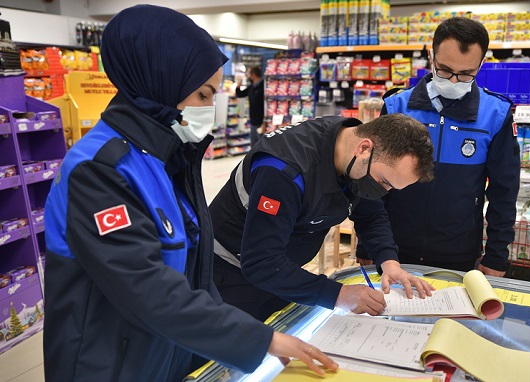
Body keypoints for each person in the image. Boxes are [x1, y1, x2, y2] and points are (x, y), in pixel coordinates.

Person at [42, 5, 337, 381]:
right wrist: (259, 340)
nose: (209, 109)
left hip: (162, 358)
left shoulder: (166, 159)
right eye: (202, 94)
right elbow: (146, 289)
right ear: (160, 82)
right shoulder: (99, 171)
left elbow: (196, 276)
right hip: (108, 366)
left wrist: (223, 351)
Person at [210, 113, 436, 322]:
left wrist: (389, 263)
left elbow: (371, 214)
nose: (384, 191)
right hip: (229, 274)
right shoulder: (283, 171)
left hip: (283, 270)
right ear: (364, 148)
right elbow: (261, 262)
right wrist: (339, 294)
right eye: (384, 182)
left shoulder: (354, 153)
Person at [357, 17, 520, 277]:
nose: (454, 81)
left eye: (466, 73)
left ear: (481, 64)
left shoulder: (496, 115)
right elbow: (374, 184)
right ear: (431, 56)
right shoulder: (397, 106)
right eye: (445, 70)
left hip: (459, 254)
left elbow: (505, 191)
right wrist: (368, 246)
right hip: (393, 252)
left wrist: (497, 256)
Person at [236, 66, 265, 146]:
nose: (248, 76)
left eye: (249, 74)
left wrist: (264, 120)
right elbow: (241, 94)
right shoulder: (251, 87)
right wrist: (238, 87)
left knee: (262, 145)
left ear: (253, 75)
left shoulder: (264, 86)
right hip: (253, 121)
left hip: (262, 122)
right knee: (254, 145)